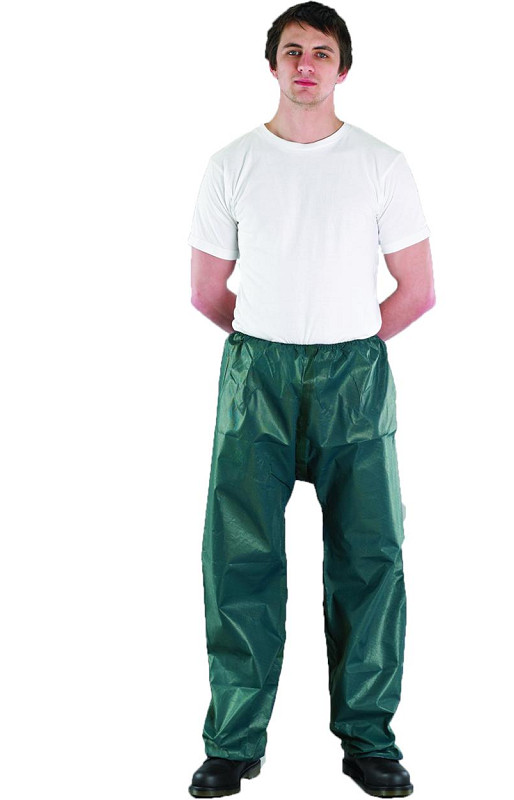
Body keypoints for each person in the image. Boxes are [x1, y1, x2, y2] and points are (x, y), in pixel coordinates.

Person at [186, 3, 434, 796]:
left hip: (353, 376)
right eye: (292, 50)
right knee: (239, 557)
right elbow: (206, 291)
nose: (305, 65)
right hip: (255, 374)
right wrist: (274, 338)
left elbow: (418, 289)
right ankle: (233, 742)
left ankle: (369, 740)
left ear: (342, 69)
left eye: (321, 53)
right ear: (272, 65)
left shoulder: (380, 164)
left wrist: (344, 337)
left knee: (370, 556)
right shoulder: (232, 163)